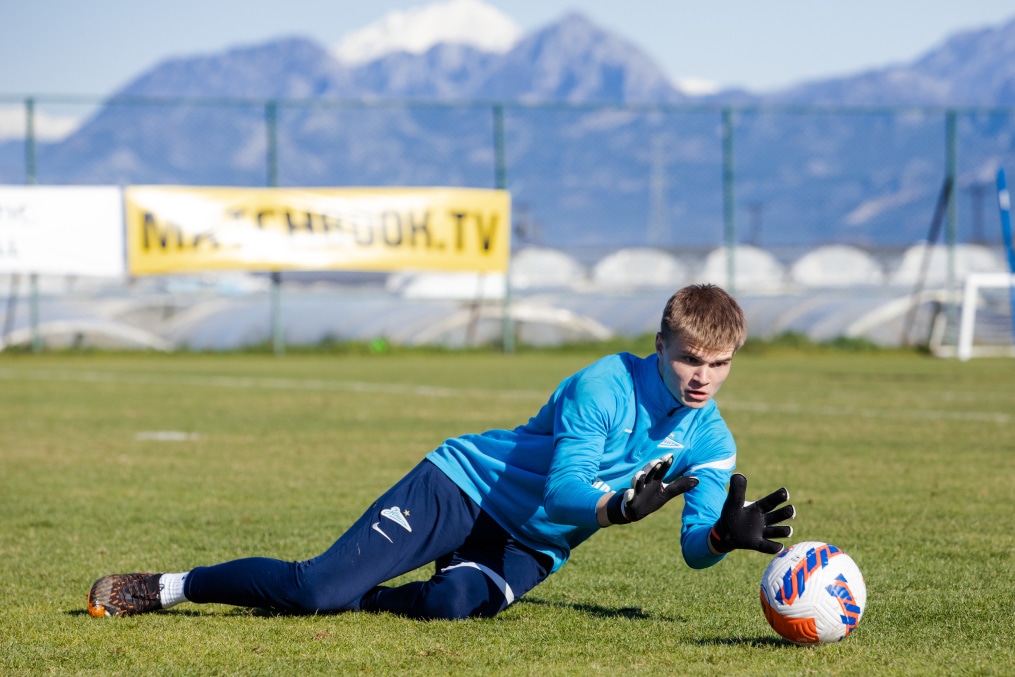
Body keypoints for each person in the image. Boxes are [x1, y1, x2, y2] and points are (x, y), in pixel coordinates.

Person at [88, 284, 795, 620]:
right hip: (463, 487)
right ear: (659, 345)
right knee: (310, 591)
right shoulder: (603, 385)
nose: (702, 376)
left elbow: (691, 551)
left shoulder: (711, 439)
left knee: (452, 604)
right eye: (689, 359)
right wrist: (612, 508)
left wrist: (719, 539)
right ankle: (168, 585)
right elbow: (562, 489)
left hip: (531, 543)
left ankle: (370, 595)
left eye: (720, 363)